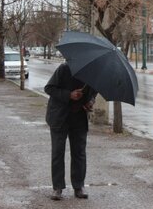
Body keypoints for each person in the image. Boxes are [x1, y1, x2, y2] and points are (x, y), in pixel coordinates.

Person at [45, 62, 96, 200]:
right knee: (58, 152)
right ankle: (57, 188)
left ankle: (79, 186)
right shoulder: (64, 68)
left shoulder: (92, 74)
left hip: (78, 118)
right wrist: (69, 95)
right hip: (59, 117)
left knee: (79, 153)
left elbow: (92, 93)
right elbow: (49, 88)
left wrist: (90, 102)